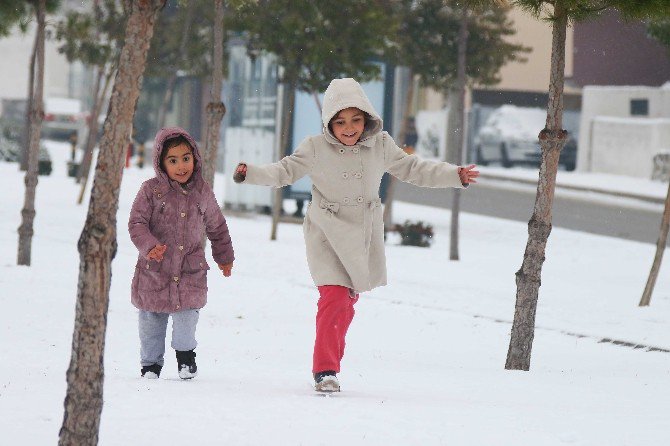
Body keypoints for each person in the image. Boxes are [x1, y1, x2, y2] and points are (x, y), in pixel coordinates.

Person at [233, 78, 478, 392]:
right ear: (329, 123)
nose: (348, 128)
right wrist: (249, 172)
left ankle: (332, 358)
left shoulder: (381, 145)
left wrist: (453, 174)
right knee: (333, 297)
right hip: (326, 229)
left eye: (355, 120)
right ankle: (325, 370)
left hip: (362, 232)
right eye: (340, 122)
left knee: (347, 302)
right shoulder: (314, 147)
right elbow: (284, 171)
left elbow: (412, 168)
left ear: (367, 120)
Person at [129, 127, 235, 380]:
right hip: (155, 268)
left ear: (195, 158)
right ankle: (150, 365)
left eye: (186, 158)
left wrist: (225, 257)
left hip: (190, 270)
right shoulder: (150, 191)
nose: (181, 166)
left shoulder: (202, 192)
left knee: (187, 315)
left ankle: (186, 358)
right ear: (160, 162)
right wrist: (149, 246)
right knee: (151, 318)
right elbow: (137, 223)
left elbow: (217, 226)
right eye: (172, 160)